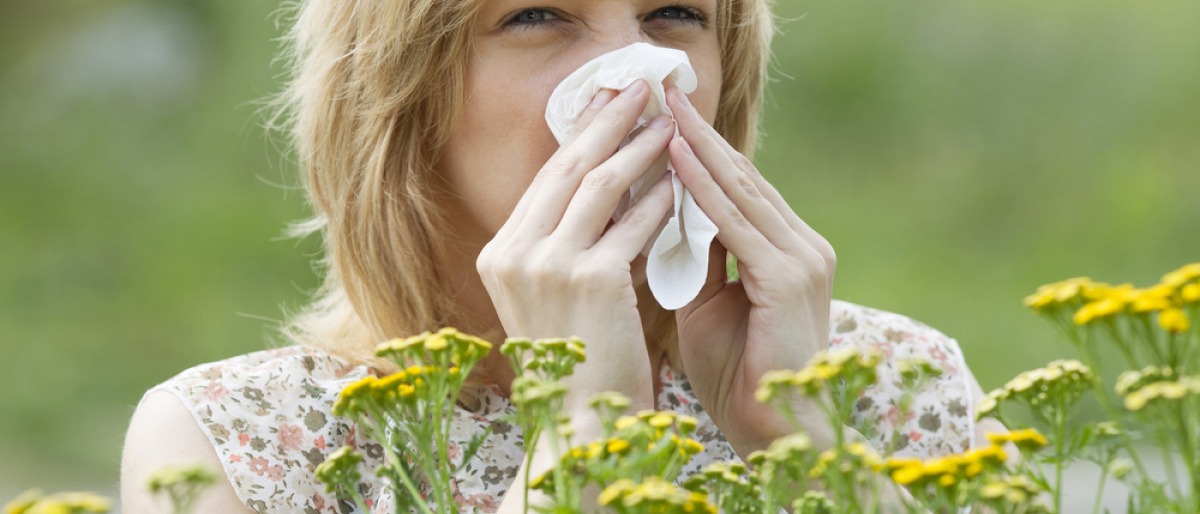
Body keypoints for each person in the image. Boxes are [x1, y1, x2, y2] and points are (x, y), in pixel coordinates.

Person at [121, 0, 1006, 512]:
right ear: (400, 94)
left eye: (674, 14)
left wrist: (807, 449)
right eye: (538, 14)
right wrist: (585, 439)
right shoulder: (239, 446)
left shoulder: (899, 391)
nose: (638, 70)